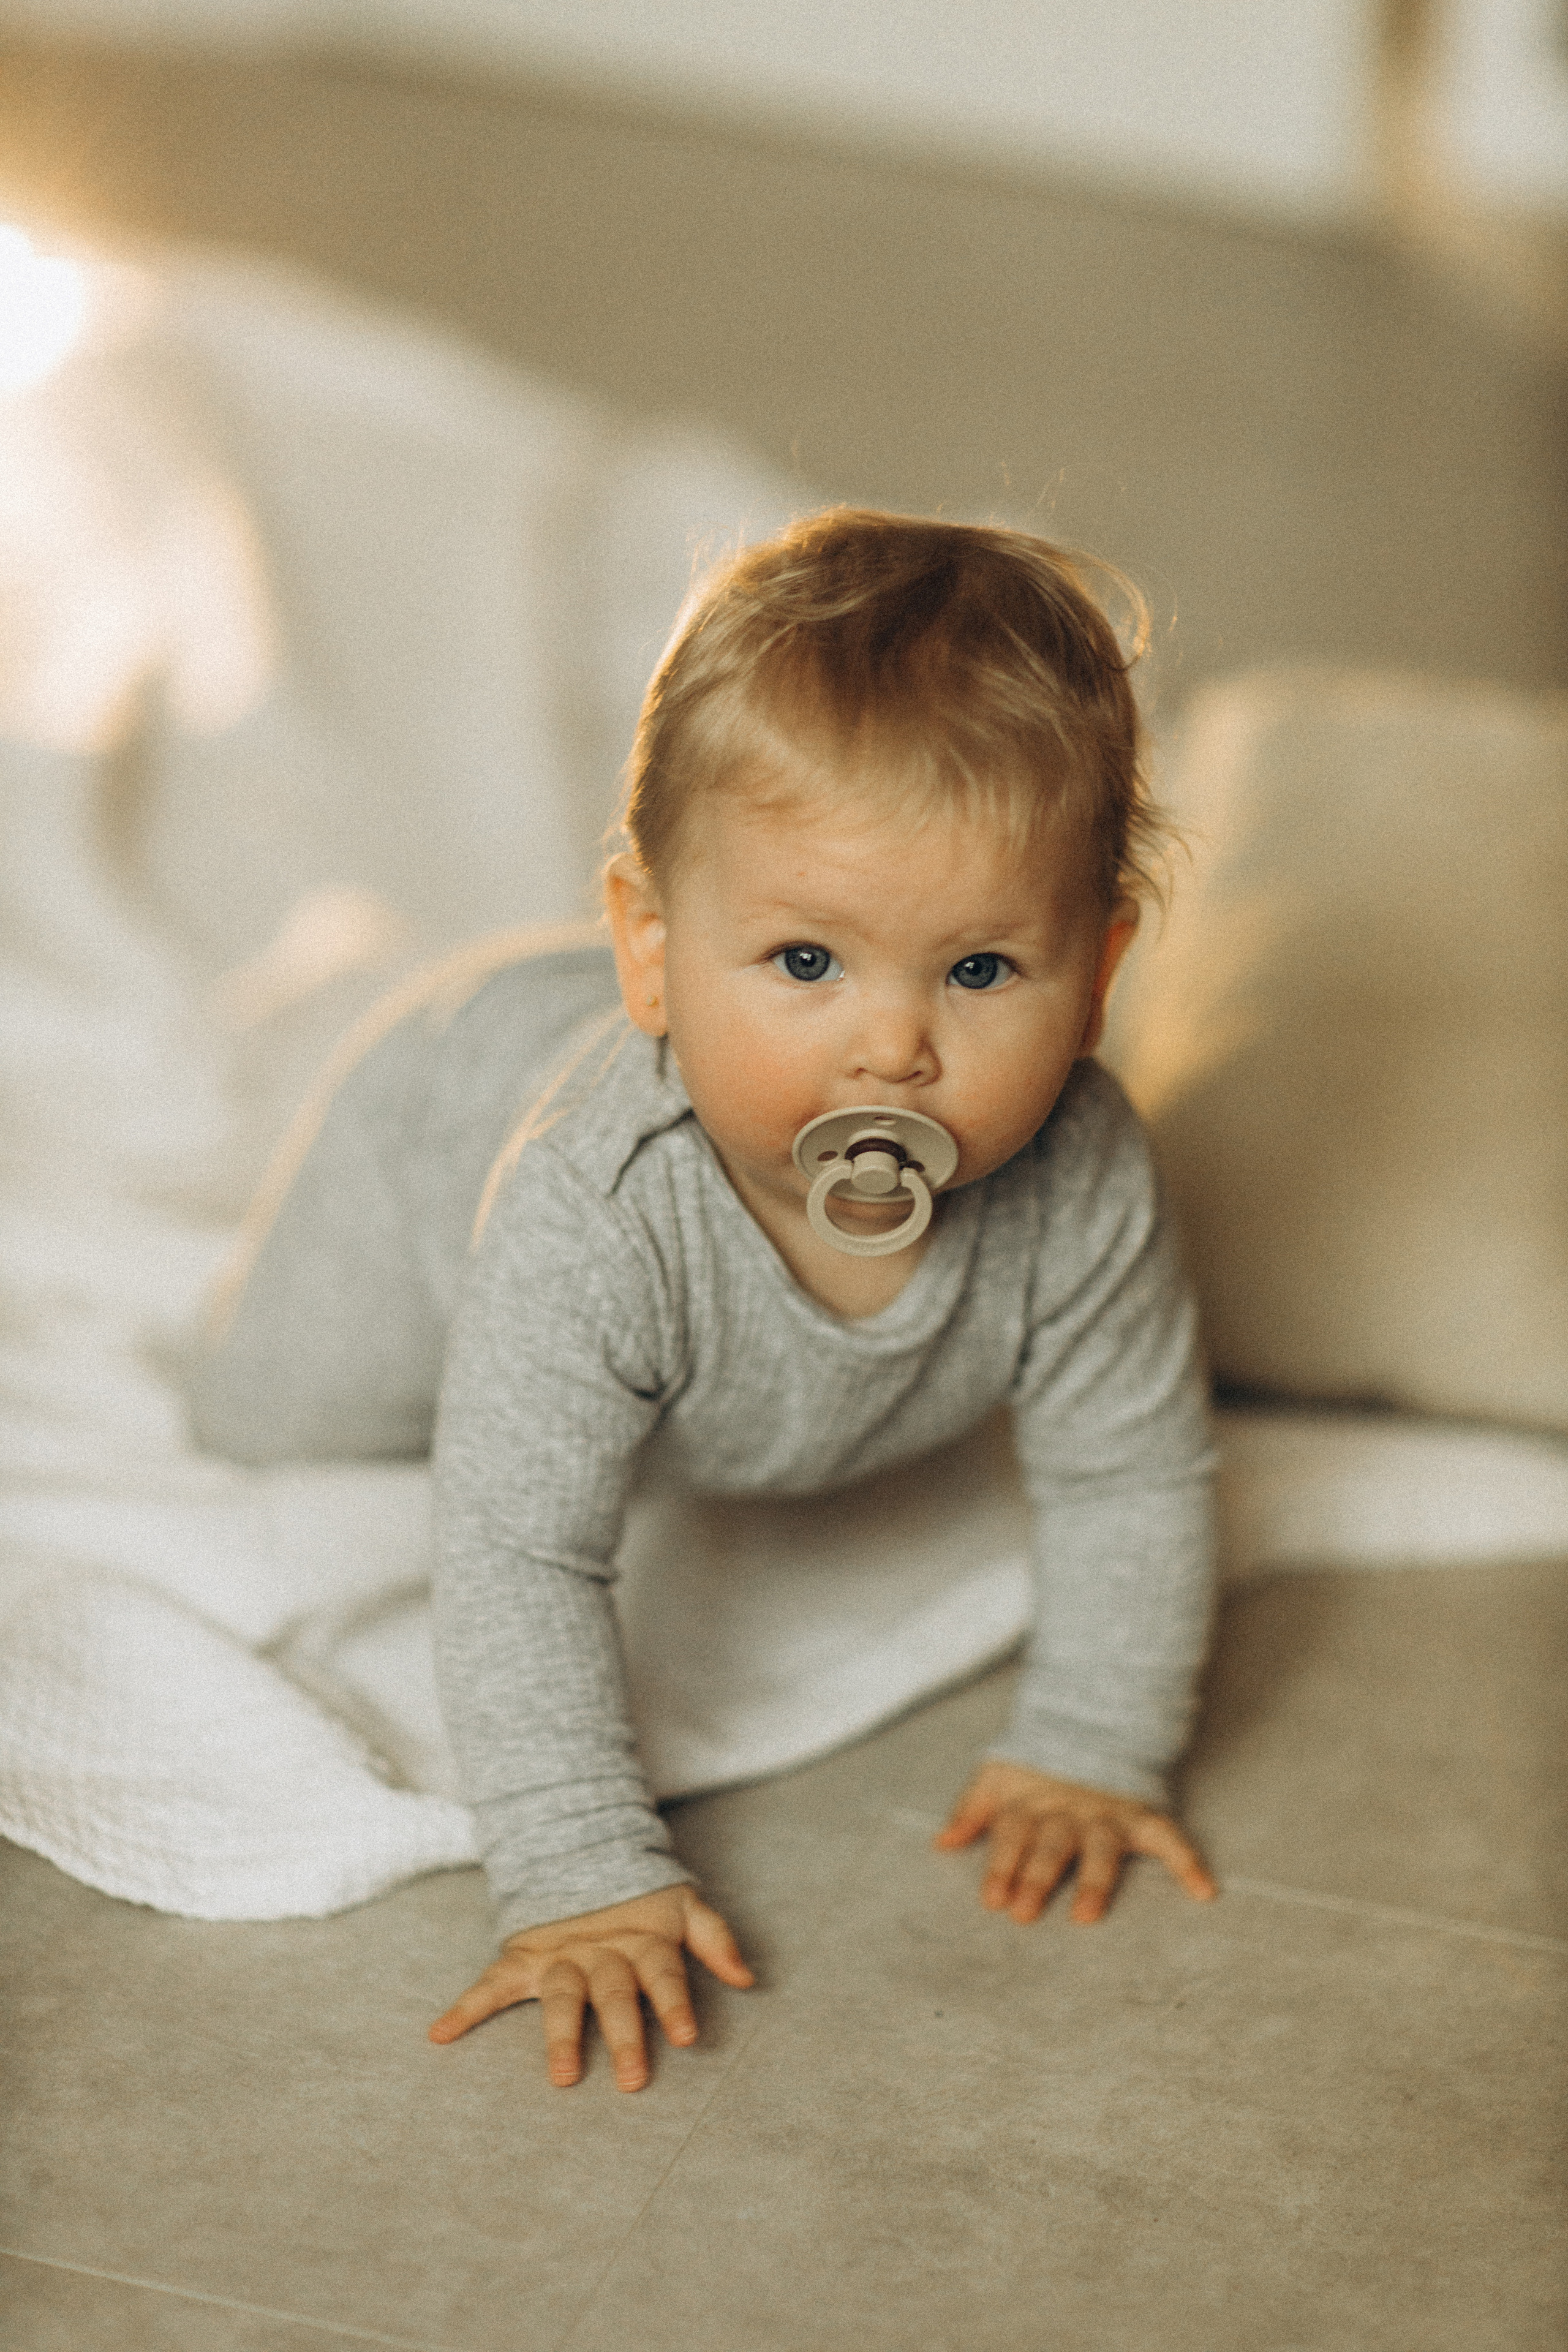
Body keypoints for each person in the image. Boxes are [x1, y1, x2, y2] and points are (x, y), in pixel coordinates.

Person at [190, 509, 1218, 2095]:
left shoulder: (1084, 1180)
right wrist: (582, 1869)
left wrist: (1092, 1740)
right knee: (270, 1426)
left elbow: (1131, 1472)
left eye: (981, 972)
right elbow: (520, 1555)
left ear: (1100, 967)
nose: (893, 1049)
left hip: (674, 1274)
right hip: (424, 1142)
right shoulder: (596, 1211)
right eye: (806, 961)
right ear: (651, 954)